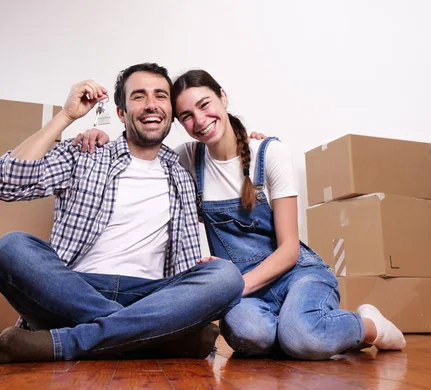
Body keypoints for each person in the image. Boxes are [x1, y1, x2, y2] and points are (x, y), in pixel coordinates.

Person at [0, 63, 244, 364]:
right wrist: (66, 116)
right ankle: (157, 339)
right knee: (10, 249)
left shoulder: (186, 172)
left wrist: (245, 142)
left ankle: (67, 343)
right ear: (121, 113)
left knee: (226, 276)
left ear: (171, 113)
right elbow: (4, 183)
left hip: (152, 298)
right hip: (74, 288)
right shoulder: (86, 153)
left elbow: (234, 184)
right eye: (138, 96)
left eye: (160, 96)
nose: (151, 105)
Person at [165, 69, 406, 360]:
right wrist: (96, 131)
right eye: (187, 116)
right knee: (249, 336)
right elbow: (140, 151)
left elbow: (290, 249)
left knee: (302, 338)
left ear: (223, 97)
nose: (200, 121)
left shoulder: (269, 153)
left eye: (204, 104)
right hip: (249, 292)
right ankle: (309, 330)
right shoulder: (187, 159)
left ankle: (367, 326)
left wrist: (233, 287)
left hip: (297, 275)